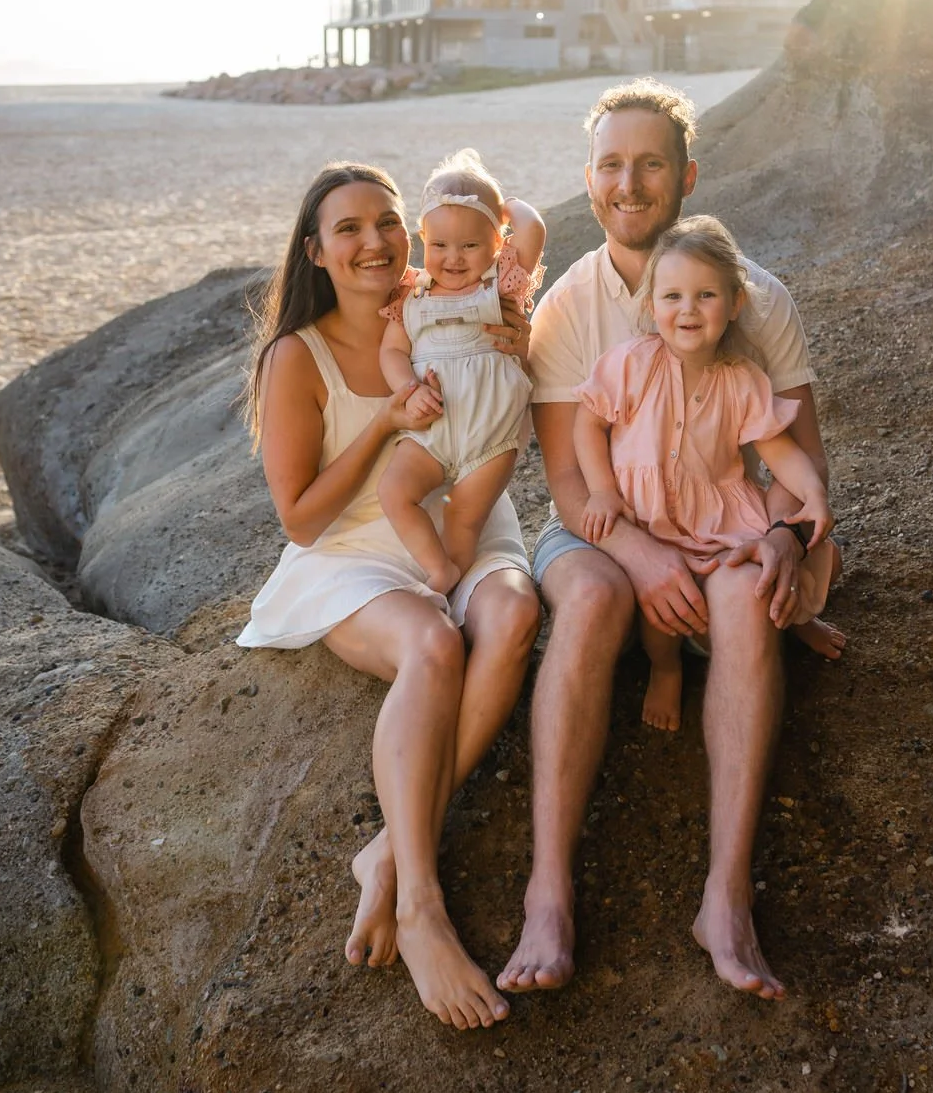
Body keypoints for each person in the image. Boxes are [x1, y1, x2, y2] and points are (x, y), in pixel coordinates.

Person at [497, 78, 845, 1004]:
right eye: (611, 164)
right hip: (602, 527)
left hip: (723, 519)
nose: (629, 182)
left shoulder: (752, 296)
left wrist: (781, 539)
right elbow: (571, 482)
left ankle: (724, 899)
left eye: (650, 162)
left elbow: (797, 461)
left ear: (685, 174)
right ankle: (547, 894)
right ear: (590, 178)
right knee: (600, 596)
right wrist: (642, 557)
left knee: (745, 588)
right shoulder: (569, 308)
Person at [237, 161, 541, 1030]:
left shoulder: (446, 288)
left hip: (462, 523)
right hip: (354, 553)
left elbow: (513, 252)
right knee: (434, 646)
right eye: (348, 229)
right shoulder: (296, 356)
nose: (373, 242)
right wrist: (382, 421)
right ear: (316, 252)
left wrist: (518, 337)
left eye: (387, 222)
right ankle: (419, 906)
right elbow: (299, 519)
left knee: (514, 612)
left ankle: (384, 853)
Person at [575, 215, 837, 733]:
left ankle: (797, 623)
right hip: (650, 517)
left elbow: (779, 448)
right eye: (672, 297)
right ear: (651, 307)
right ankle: (666, 668)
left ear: (734, 303)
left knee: (766, 581)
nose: (688, 309)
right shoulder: (630, 364)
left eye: (705, 295)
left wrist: (812, 495)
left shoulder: (742, 379)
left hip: (720, 516)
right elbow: (587, 424)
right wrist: (603, 491)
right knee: (664, 606)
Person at [378, 149, 546, 595]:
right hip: (430, 428)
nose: (453, 258)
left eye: (470, 245)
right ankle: (439, 570)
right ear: (422, 239)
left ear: (496, 244)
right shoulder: (410, 295)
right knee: (395, 492)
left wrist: (504, 205)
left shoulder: (502, 285)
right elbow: (392, 352)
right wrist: (408, 389)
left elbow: (533, 230)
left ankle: (456, 585)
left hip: (490, 436)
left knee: (464, 520)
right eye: (439, 245)